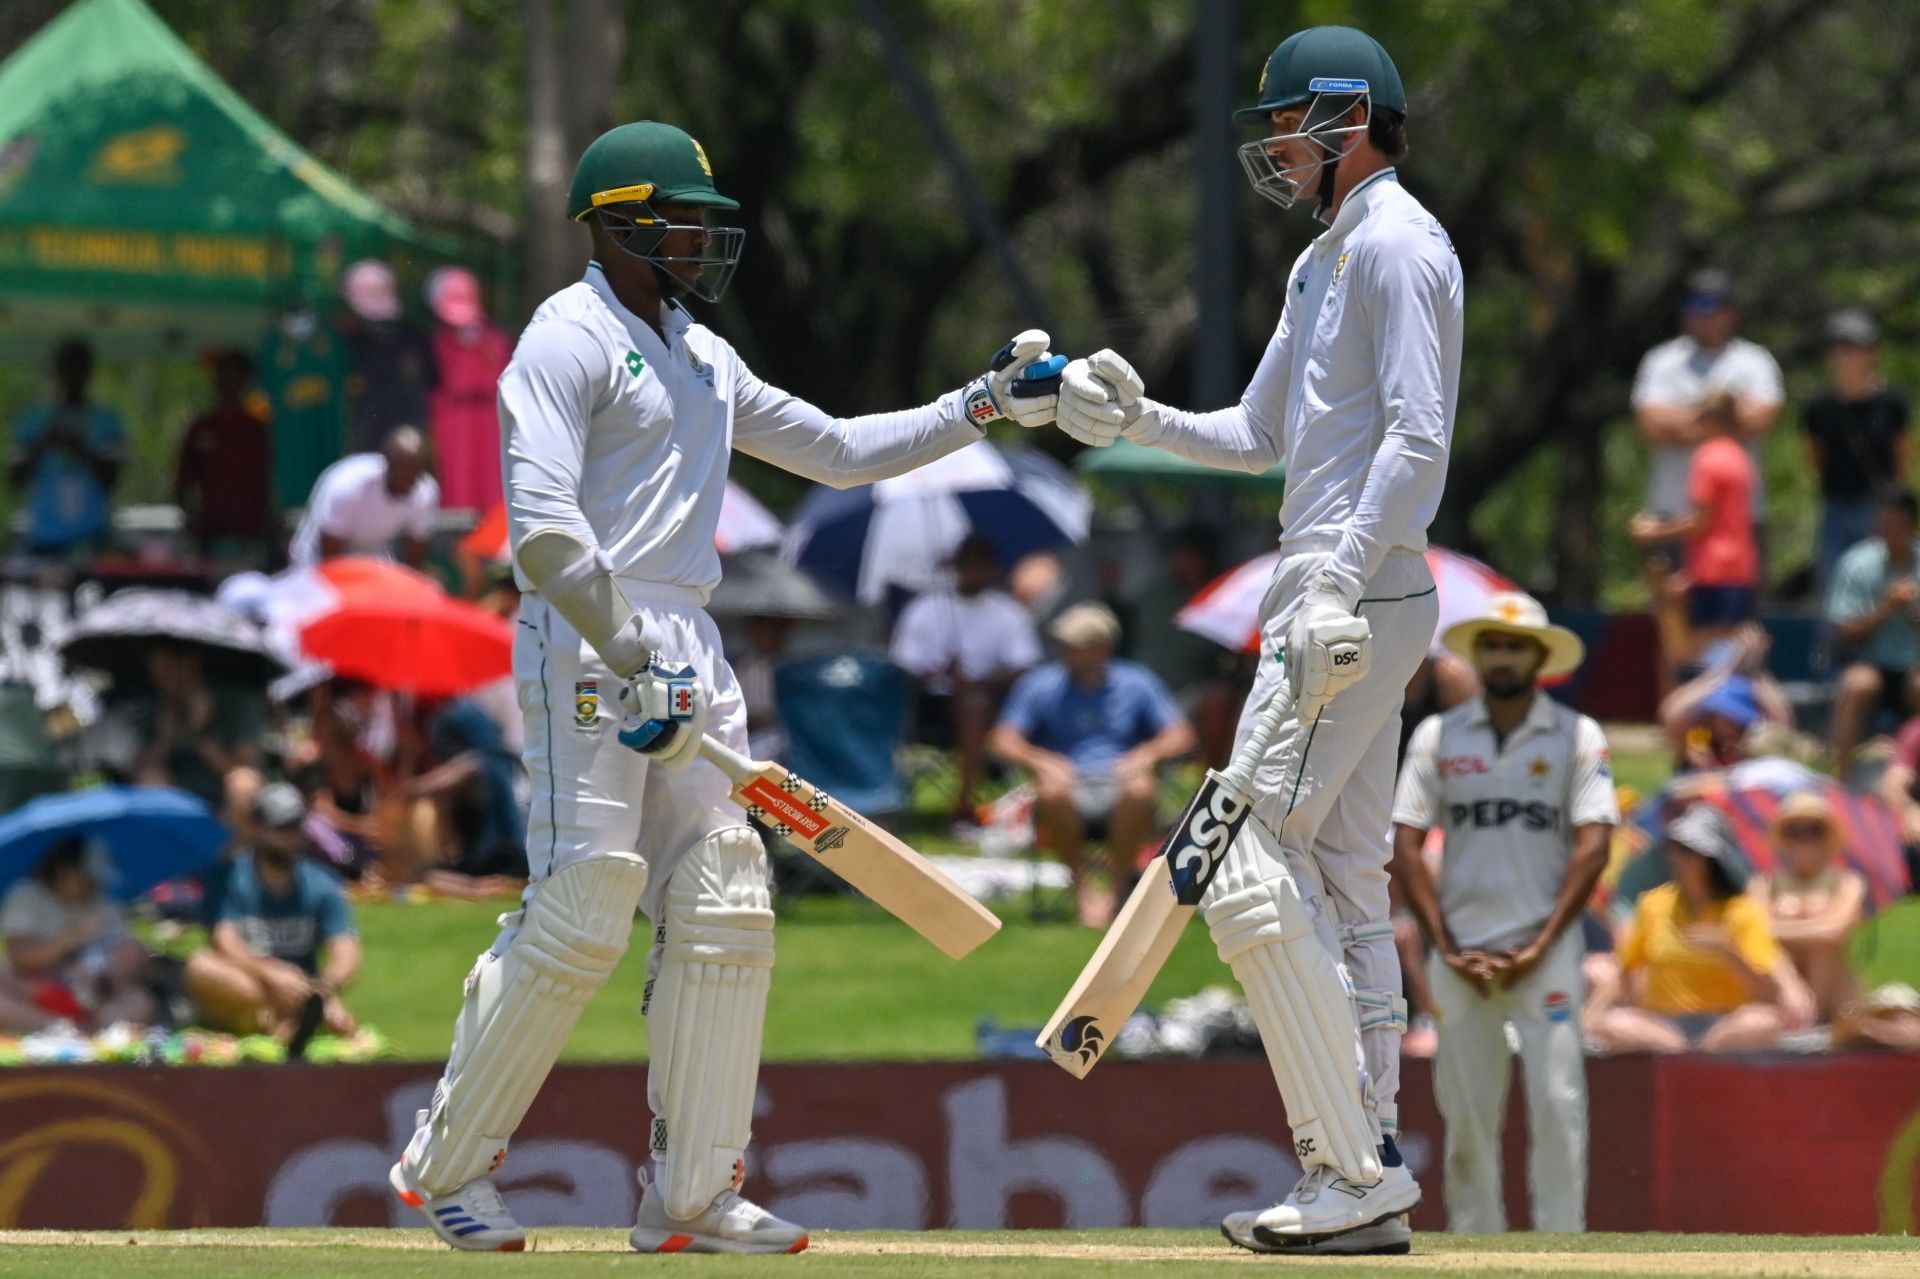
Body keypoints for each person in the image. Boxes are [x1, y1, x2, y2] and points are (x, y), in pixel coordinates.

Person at [389, 119, 1064, 1253]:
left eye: (710, 221)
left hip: (689, 638)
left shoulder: (701, 351)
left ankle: (690, 1195)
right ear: (615, 223)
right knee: (588, 897)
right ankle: (446, 1164)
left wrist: (982, 402)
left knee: (726, 899)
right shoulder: (564, 341)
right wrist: (627, 652)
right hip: (590, 637)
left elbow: (841, 448)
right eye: (682, 220)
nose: (704, 239)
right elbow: (545, 538)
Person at [1051, 25, 1455, 1251]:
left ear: (1345, 116)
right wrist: (1137, 417)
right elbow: (1255, 435)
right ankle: (1369, 1154)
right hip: (1338, 588)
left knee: (1239, 857)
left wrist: (1329, 581)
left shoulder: (1398, 243)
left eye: (1287, 123)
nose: (1274, 147)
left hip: (1350, 592)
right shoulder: (1323, 259)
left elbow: (1419, 440)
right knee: (1339, 872)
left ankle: (1344, 1167)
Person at [1390, 593, 1616, 1234]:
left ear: (1540, 657)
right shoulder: (1439, 735)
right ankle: (1474, 1247)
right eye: (1492, 644)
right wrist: (1448, 947)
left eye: (1515, 645)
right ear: (1478, 655)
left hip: (1545, 959)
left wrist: (1539, 945)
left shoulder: (1578, 734)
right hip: (1460, 957)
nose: (1503, 656)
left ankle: (1560, 1247)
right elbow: (1405, 846)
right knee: (1465, 1114)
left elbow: (1594, 846)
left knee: (1558, 1102)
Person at [989, 603, 1198, 927]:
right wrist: (1040, 759)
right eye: (1064, 644)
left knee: (1142, 788)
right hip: (1067, 786)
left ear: (1102, 648)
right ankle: (1083, 891)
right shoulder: (1040, 685)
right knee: (1051, 789)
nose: (1065, 650)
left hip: (1121, 785)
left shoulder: (1136, 682)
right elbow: (1002, 739)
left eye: (1075, 645)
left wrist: (1147, 753)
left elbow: (1181, 736)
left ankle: (1115, 893)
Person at [1589, 805, 1792, 1053]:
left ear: (1711, 860)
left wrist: (1729, 952)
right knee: (1616, 1023)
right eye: (1675, 847)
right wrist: (1589, 1017)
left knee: (1763, 1021)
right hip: (1664, 1025)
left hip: (1725, 1024)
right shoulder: (1654, 905)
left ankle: (1693, 1054)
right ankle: (1688, 1054)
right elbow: (1625, 973)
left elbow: (1769, 993)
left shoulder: (1741, 911)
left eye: (1688, 851)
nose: (1677, 857)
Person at [183, 784, 360, 1056]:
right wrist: (270, 973)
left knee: (300, 996)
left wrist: (325, 988)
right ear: (256, 828)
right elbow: (224, 941)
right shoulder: (229, 878)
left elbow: (346, 948)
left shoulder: (321, 882)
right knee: (201, 967)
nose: (292, 838)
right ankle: (294, 1019)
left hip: (303, 989)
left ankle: (294, 1017)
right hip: (246, 981)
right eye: (282, 829)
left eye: (296, 828)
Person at [1630, 268, 1783, 578]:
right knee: (1673, 618)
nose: (1701, 319)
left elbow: (1762, 419)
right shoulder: (1662, 361)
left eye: (1710, 309)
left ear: (1731, 313)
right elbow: (1651, 424)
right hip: (1671, 514)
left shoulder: (1754, 362)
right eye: (1693, 309)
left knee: (1737, 622)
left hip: (1739, 520)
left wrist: (1682, 418)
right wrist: (1725, 417)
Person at [890, 533, 1043, 835]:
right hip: (929, 703)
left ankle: (966, 803)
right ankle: (884, 803)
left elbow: (1025, 665)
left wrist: (977, 680)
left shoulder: (1008, 612)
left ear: (993, 570)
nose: (974, 572)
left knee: (973, 704)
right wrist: (939, 674)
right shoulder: (925, 608)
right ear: (956, 566)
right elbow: (901, 665)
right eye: (968, 565)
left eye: (981, 566)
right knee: (966, 703)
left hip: (990, 704)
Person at [1630, 391, 1759, 652]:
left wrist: (1653, 531)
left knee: (1700, 650)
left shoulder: (1707, 457)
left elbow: (1701, 522)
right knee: (1732, 645)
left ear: (1712, 421)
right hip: (1741, 568)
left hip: (1713, 570)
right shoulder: (1740, 457)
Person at [1, 836, 156, 1031]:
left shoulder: (104, 904)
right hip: (33, 991)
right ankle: (57, 1029)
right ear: (64, 872)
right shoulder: (27, 895)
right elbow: (20, 957)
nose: (94, 886)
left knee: (140, 1000)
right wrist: (70, 938)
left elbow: (128, 953)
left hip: (92, 995)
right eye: (87, 879)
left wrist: (102, 974)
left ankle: (95, 1029)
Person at [1804, 309, 1909, 595]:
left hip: (1878, 510)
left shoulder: (1893, 403)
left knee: (1879, 586)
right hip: (1836, 505)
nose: (1846, 357)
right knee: (1833, 587)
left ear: (1872, 353)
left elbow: (1902, 458)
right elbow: (1816, 459)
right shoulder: (1818, 406)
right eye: (1839, 349)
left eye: (1854, 348)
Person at [1120, 524, 1242, 767]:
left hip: (1190, 693)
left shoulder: (1224, 597)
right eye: (1177, 554)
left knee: (1221, 699)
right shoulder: (1153, 593)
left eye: (1189, 555)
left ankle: (1212, 776)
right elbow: (1117, 629)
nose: (1180, 561)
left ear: (1205, 558)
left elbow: (1234, 658)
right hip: (1144, 686)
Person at [1749, 790, 1865, 1027]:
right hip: (1782, 989)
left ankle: (1811, 1017)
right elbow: (1751, 934)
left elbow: (1834, 931)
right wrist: (1815, 925)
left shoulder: (1848, 882)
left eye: (1813, 831)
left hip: (1834, 993)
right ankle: (1801, 1015)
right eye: (1795, 832)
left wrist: (1779, 927)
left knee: (1824, 949)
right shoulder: (1763, 884)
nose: (1804, 840)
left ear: (1826, 837)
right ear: (1785, 838)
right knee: (1773, 954)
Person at [1826, 490, 1920, 777]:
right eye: (1884, 525)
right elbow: (1842, 631)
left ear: (1912, 527)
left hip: (1913, 664)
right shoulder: (1857, 565)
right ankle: (1841, 779)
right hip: (1869, 661)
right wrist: (1884, 608)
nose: (1890, 533)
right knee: (1856, 686)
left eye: (1897, 526)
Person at [6, 338, 125, 557]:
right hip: (43, 536)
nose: (72, 376)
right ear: (55, 372)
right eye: (66, 368)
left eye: (78, 369)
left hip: (93, 536)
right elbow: (15, 478)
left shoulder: (107, 420)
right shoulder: (33, 420)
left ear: (89, 373)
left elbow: (112, 479)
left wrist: (81, 448)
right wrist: (44, 443)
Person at [128, 642, 266, 828]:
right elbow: (136, 772)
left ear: (191, 663)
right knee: (149, 778)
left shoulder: (237, 701)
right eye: (155, 670)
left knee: (243, 782)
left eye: (167, 668)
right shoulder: (154, 708)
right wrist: (164, 738)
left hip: (224, 800)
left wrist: (200, 735)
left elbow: (246, 766)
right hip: (176, 796)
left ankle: (233, 854)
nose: (160, 678)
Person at [425, 266, 513, 514]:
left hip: (490, 423)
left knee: (491, 483)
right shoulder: (436, 343)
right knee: (457, 482)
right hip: (452, 424)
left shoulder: (496, 341)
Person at [287, 426, 440, 568]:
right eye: (404, 468)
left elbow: (415, 557)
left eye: (416, 470)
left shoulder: (425, 492)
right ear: (387, 463)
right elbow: (330, 559)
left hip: (371, 559)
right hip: (315, 560)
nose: (409, 477)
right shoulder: (348, 485)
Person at [175, 350, 275, 559]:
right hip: (212, 531)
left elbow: (270, 479)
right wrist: (190, 518)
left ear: (246, 381)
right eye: (223, 374)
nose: (228, 381)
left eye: (235, 375)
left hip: (252, 531)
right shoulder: (202, 427)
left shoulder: (258, 430)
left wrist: (271, 523)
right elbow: (183, 479)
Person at [339, 259, 439, 455]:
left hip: (403, 435)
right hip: (370, 433)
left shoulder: (413, 336)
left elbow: (432, 379)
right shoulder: (351, 338)